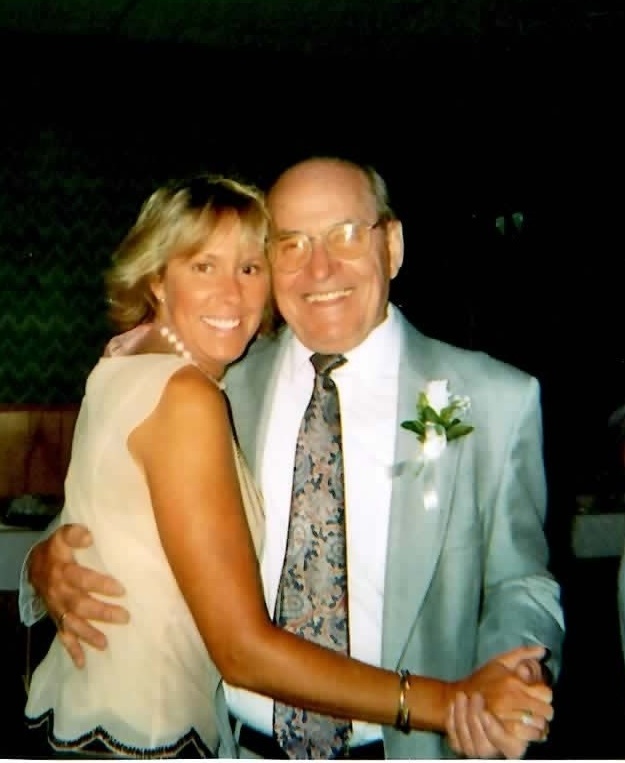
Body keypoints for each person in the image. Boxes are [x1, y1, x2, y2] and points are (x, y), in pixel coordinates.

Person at [21, 159, 562, 759]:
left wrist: (512, 673)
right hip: (230, 744)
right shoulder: (220, 381)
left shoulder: (494, 399)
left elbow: (520, 581)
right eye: (292, 244)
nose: (319, 268)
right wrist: (44, 564)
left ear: (392, 245)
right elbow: (123, 511)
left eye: (345, 235)